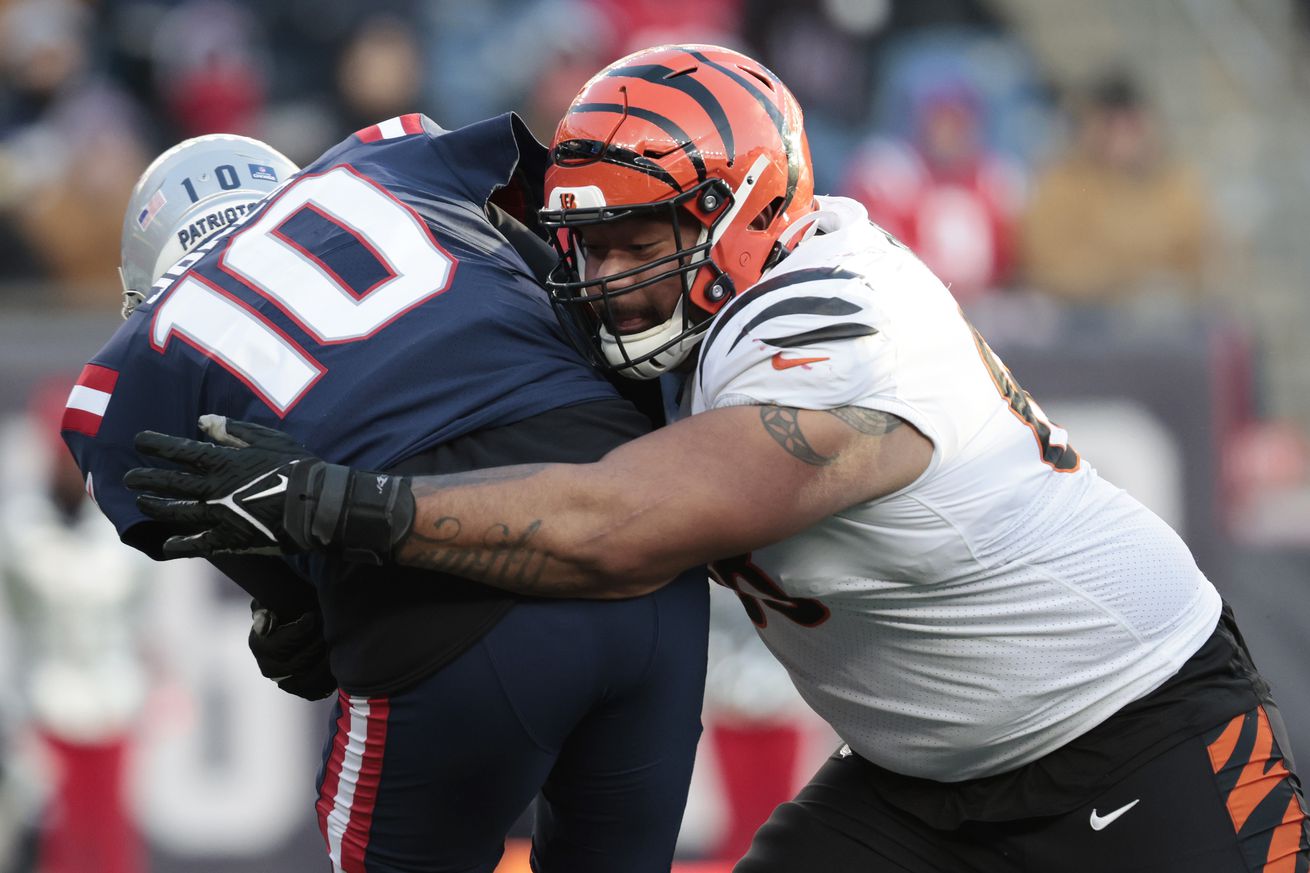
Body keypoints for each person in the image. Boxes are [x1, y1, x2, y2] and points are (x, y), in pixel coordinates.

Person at [127, 45, 1310, 871]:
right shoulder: (691, 316)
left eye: (634, 237)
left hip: (1136, 724)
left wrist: (350, 511)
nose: (600, 276)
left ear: (739, 208)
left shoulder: (843, 328)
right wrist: (325, 596)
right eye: (583, 241)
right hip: (916, 788)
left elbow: (615, 525)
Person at [63, 121, 708, 872]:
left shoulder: (125, 370)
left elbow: (259, 558)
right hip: (638, 529)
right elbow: (560, 251)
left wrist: (295, 602)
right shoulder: (384, 155)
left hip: (444, 602)